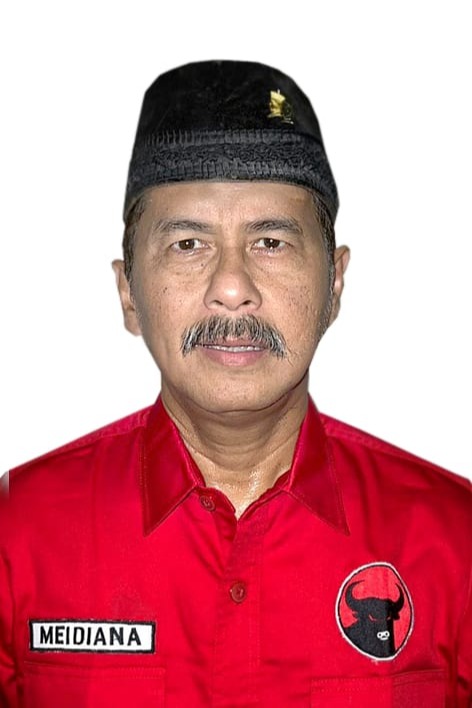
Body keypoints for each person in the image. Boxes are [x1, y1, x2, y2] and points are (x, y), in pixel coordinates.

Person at [0, 60, 470, 707]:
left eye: (271, 241)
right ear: (128, 292)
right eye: (188, 244)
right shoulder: (17, 532)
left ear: (334, 283)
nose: (231, 287)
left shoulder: (454, 540)